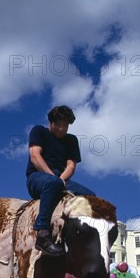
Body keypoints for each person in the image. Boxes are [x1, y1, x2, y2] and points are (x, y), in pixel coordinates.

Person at [26, 105, 95, 256]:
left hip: (60, 179)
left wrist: (61, 180)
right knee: (53, 183)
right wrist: (54, 179)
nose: (62, 129)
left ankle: (83, 238)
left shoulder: (71, 140)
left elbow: (71, 166)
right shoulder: (39, 131)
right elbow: (35, 157)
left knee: (92, 197)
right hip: (37, 177)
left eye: (65, 125)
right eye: (58, 124)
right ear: (51, 122)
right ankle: (42, 234)